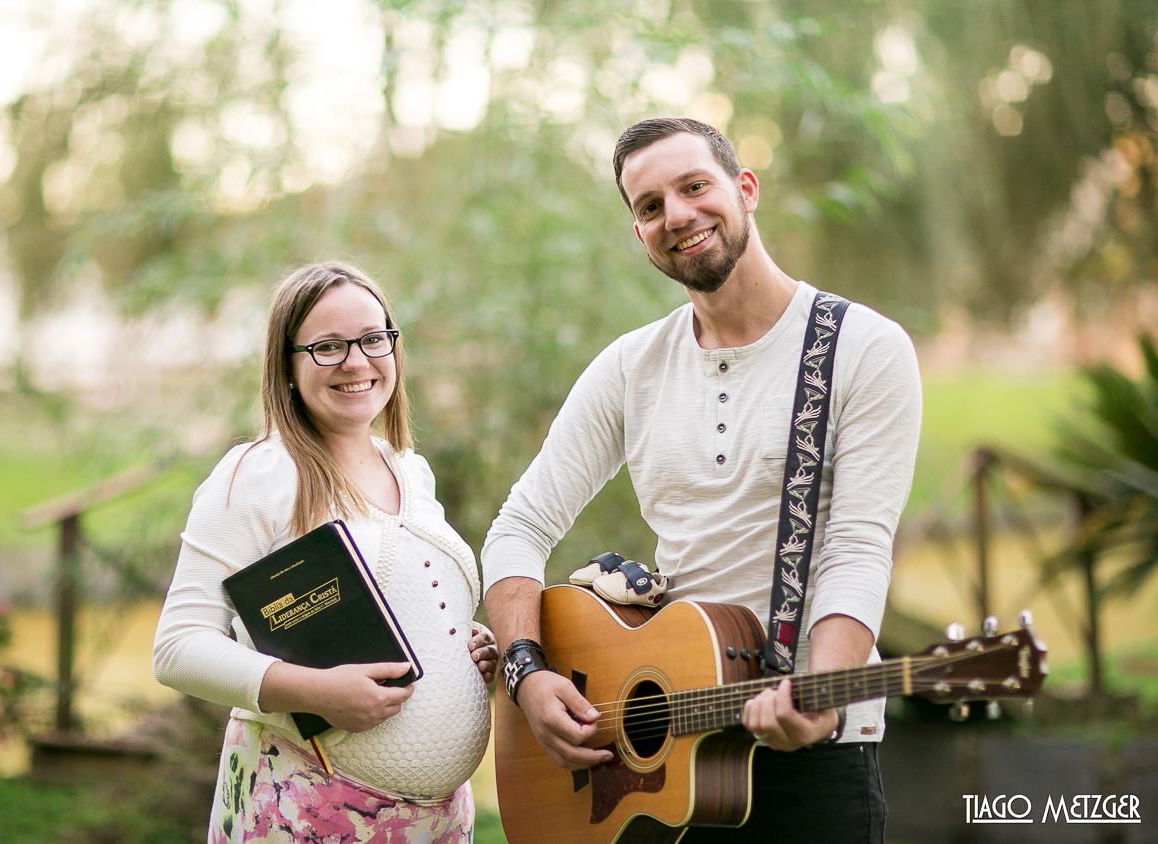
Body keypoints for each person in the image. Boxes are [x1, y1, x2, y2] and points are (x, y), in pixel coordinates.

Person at [482, 118, 921, 843]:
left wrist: (820, 697)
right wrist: (525, 673)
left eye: (694, 187)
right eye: (649, 206)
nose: (676, 216)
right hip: (655, 768)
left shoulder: (863, 350)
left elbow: (857, 550)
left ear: (745, 189)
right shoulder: (630, 367)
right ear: (639, 234)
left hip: (812, 763)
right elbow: (519, 528)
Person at [153, 261, 497, 844]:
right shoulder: (256, 473)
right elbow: (177, 647)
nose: (357, 362)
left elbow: (419, 606)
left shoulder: (409, 469)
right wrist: (318, 694)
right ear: (286, 364)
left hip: (435, 822)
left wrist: (466, 649)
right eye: (328, 347)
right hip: (306, 810)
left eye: (372, 338)